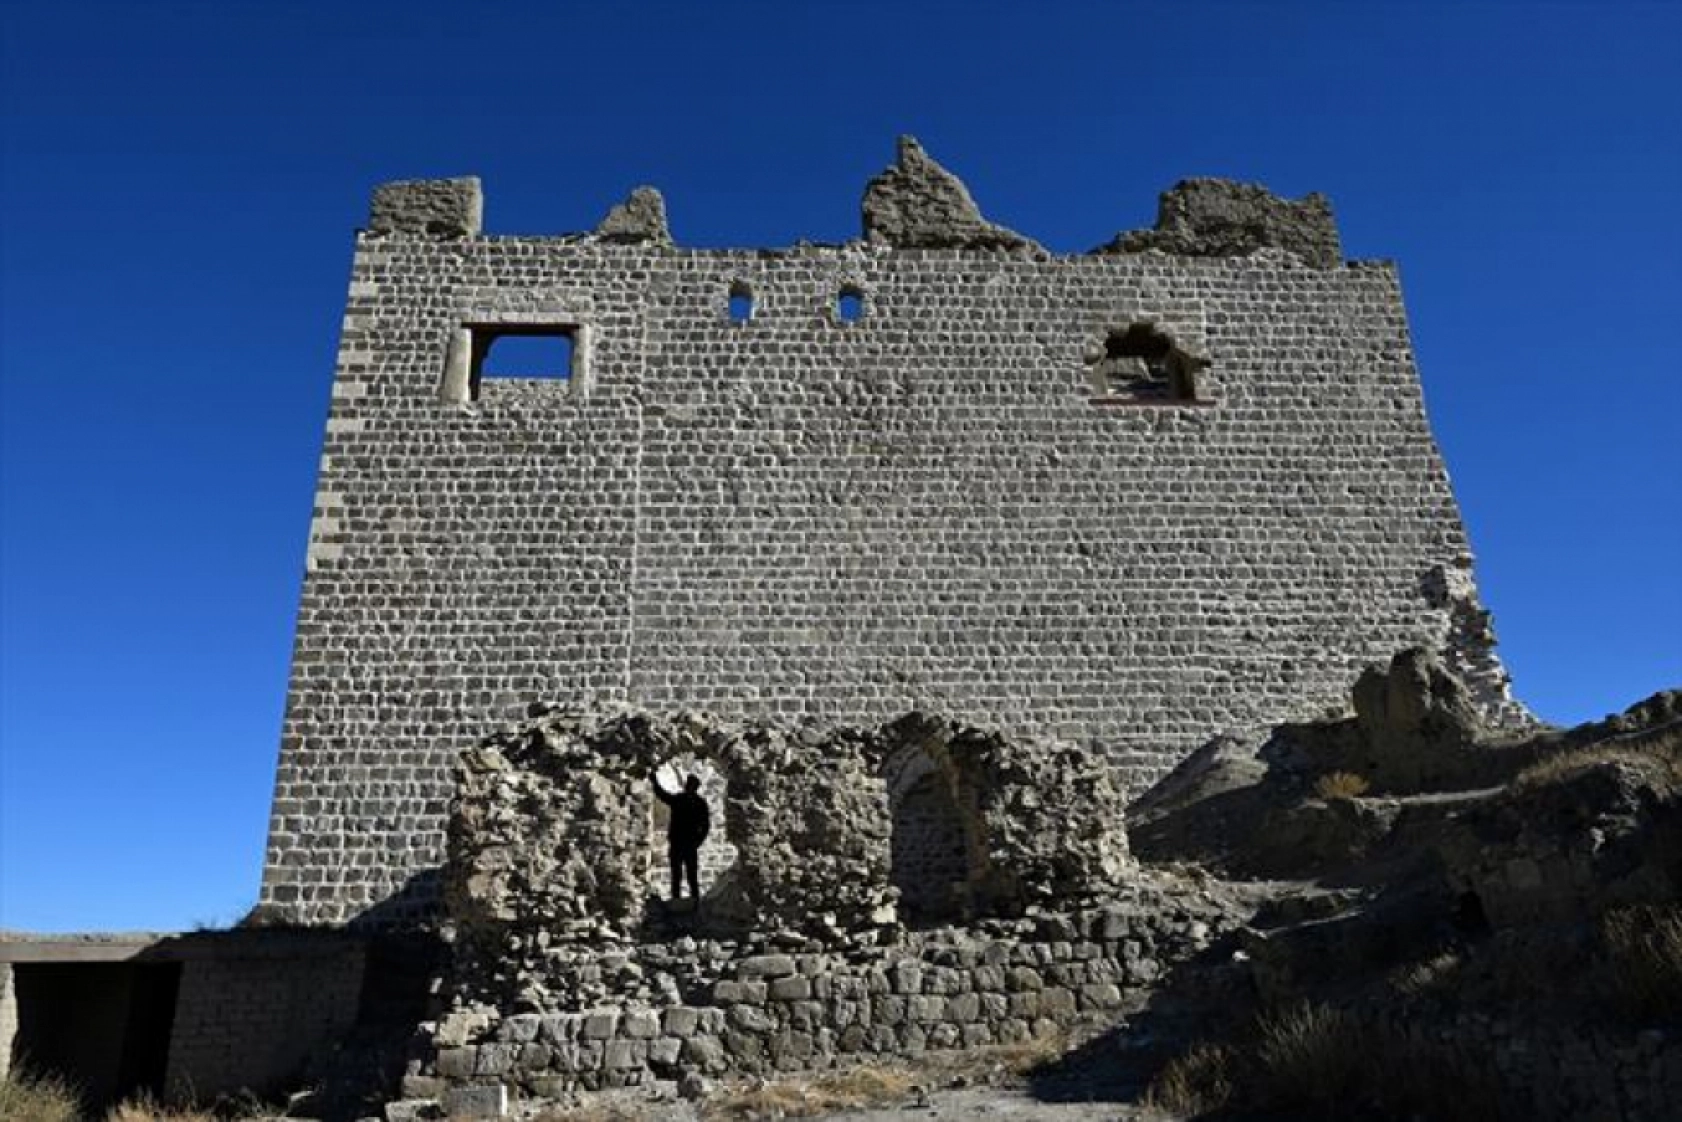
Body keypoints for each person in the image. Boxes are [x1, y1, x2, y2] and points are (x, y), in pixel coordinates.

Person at [651, 767, 710, 905]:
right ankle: (690, 901)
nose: (688, 787)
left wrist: (654, 782)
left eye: (689, 785)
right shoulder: (695, 802)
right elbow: (706, 825)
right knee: (684, 874)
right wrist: (698, 840)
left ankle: (681, 901)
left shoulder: (684, 800)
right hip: (684, 843)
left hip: (682, 842)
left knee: (684, 874)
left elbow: (662, 795)